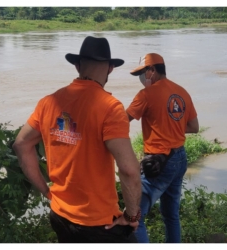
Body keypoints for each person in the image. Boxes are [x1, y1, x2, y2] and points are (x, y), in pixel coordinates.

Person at [12, 36, 142, 243]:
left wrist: (47, 191)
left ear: (77, 66)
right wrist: (132, 215)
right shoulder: (110, 107)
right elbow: (129, 170)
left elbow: (21, 144)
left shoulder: (48, 102)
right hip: (99, 223)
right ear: (110, 68)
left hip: (60, 215)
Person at [126, 53, 199, 243]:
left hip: (158, 163)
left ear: (152, 70)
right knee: (171, 215)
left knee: (135, 215)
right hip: (180, 158)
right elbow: (193, 127)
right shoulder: (182, 91)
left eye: (143, 73)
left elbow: (121, 121)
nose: (142, 78)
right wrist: (169, 125)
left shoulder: (146, 95)